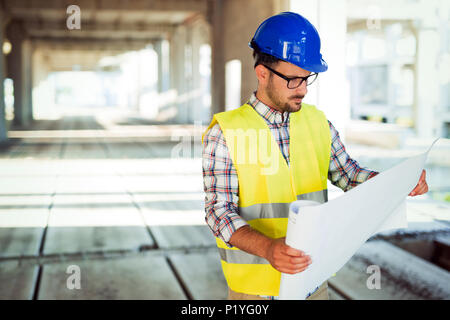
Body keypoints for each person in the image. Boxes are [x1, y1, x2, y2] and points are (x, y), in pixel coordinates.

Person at [202, 12, 428, 300]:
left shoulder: (318, 122)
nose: (304, 89)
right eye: (294, 80)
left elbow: (348, 174)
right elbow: (218, 211)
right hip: (255, 291)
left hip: (313, 283)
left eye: (308, 78)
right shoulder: (226, 132)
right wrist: (269, 248)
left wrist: (399, 182)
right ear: (262, 73)